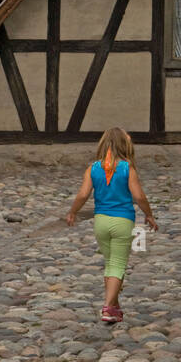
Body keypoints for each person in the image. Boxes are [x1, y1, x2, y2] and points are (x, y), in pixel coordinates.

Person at [66, 127, 158, 324]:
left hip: (100, 222)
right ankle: (108, 307)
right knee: (117, 265)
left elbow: (83, 194)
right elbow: (139, 196)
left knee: (110, 265)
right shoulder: (127, 168)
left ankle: (114, 308)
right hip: (122, 220)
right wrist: (149, 215)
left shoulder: (93, 168)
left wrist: (72, 211)